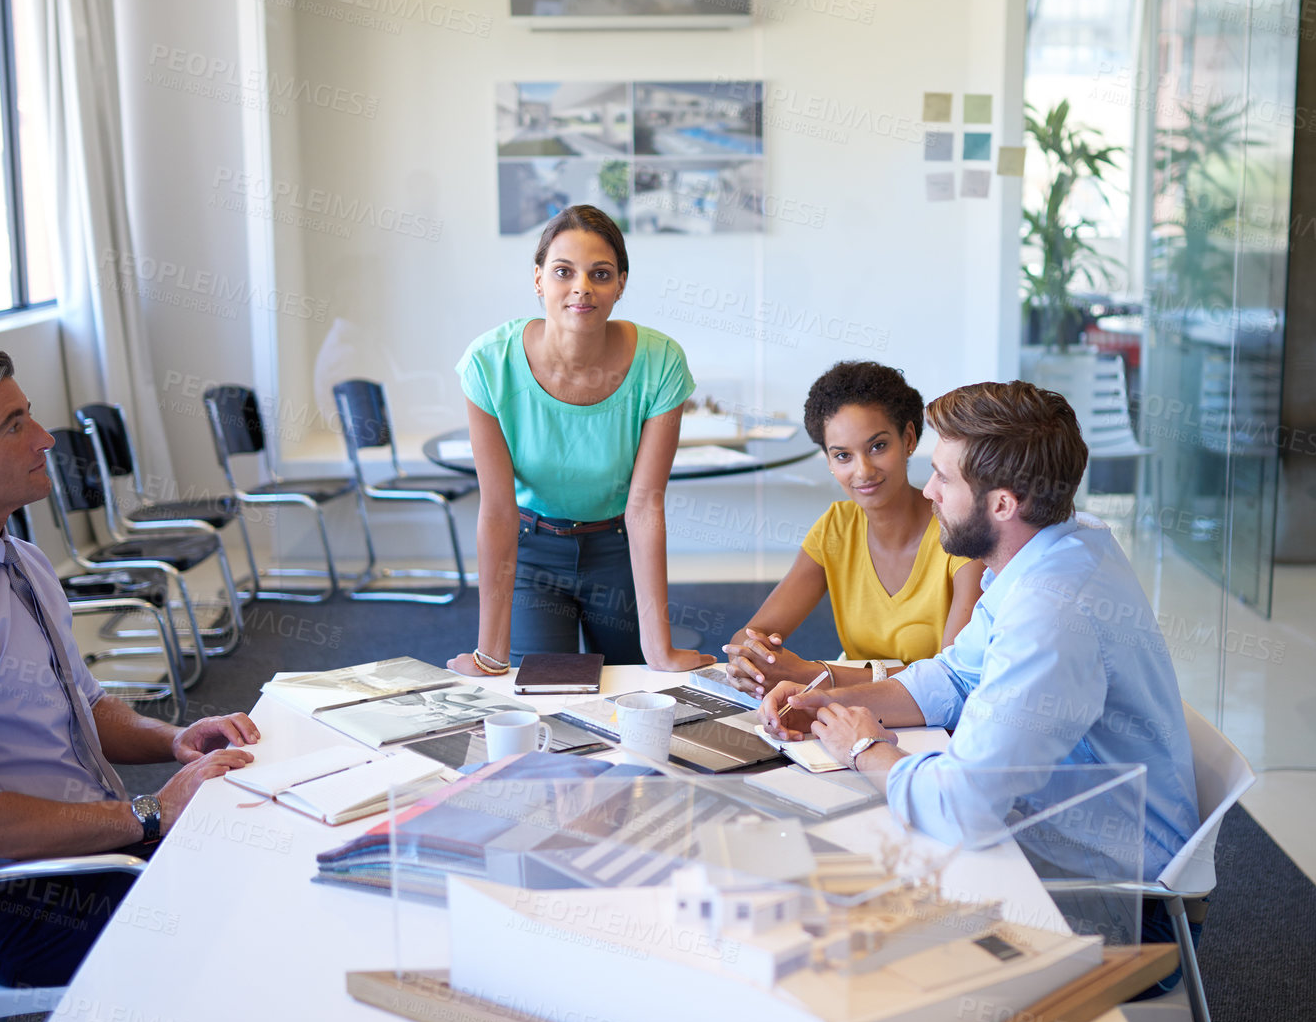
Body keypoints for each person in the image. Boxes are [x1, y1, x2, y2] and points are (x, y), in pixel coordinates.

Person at [0, 352, 260, 988]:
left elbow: (86, 707)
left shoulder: (20, 560)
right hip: (23, 905)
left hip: (95, 852)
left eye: (30, 415)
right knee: (256, 919)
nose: (44, 438)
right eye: (13, 425)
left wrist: (171, 740)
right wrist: (150, 814)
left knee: (273, 841)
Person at [760, 381, 1200, 971]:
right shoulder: (1050, 549)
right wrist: (828, 701)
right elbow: (954, 677)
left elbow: (963, 807)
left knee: (841, 923)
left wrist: (864, 748)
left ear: (1001, 504)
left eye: (944, 477)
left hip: (1118, 903)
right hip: (1055, 841)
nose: (927, 489)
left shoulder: (1053, 610)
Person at [447, 205, 712, 679]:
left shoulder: (661, 362)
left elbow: (645, 507)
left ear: (621, 285)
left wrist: (660, 649)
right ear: (538, 280)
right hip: (534, 550)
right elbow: (498, 511)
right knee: (551, 693)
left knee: (640, 692)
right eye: (563, 271)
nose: (582, 288)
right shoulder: (489, 364)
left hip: (616, 547)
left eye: (601, 274)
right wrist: (489, 653)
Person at [720, 361, 983, 699]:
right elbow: (753, 633)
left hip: (935, 721)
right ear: (829, 462)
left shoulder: (961, 534)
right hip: (850, 709)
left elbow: (950, 679)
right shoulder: (836, 527)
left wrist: (816, 674)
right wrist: (750, 660)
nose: (863, 471)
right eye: (842, 455)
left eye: (878, 446)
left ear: (909, 439)